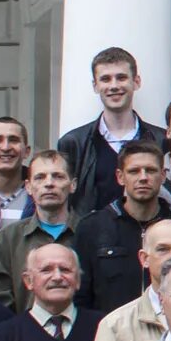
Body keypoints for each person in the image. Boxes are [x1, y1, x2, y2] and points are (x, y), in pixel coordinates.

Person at [74, 142, 171, 311]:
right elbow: (80, 296)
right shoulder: (92, 228)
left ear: (163, 176)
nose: (143, 177)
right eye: (134, 171)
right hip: (111, 332)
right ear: (120, 177)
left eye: (150, 170)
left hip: (169, 330)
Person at [55, 45, 153, 216]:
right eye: (106, 79)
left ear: (136, 82)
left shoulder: (159, 139)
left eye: (121, 78)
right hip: (92, 238)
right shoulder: (73, 143)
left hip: (147, 236)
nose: (114, 86)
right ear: (95, 86)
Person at [0, 149, 80, 311]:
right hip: (23, 334)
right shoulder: (7, 239)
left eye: (58, 176)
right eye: (40, 177)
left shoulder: (92, 232)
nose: (49, 183)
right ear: (28, 187)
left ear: (73, 185)